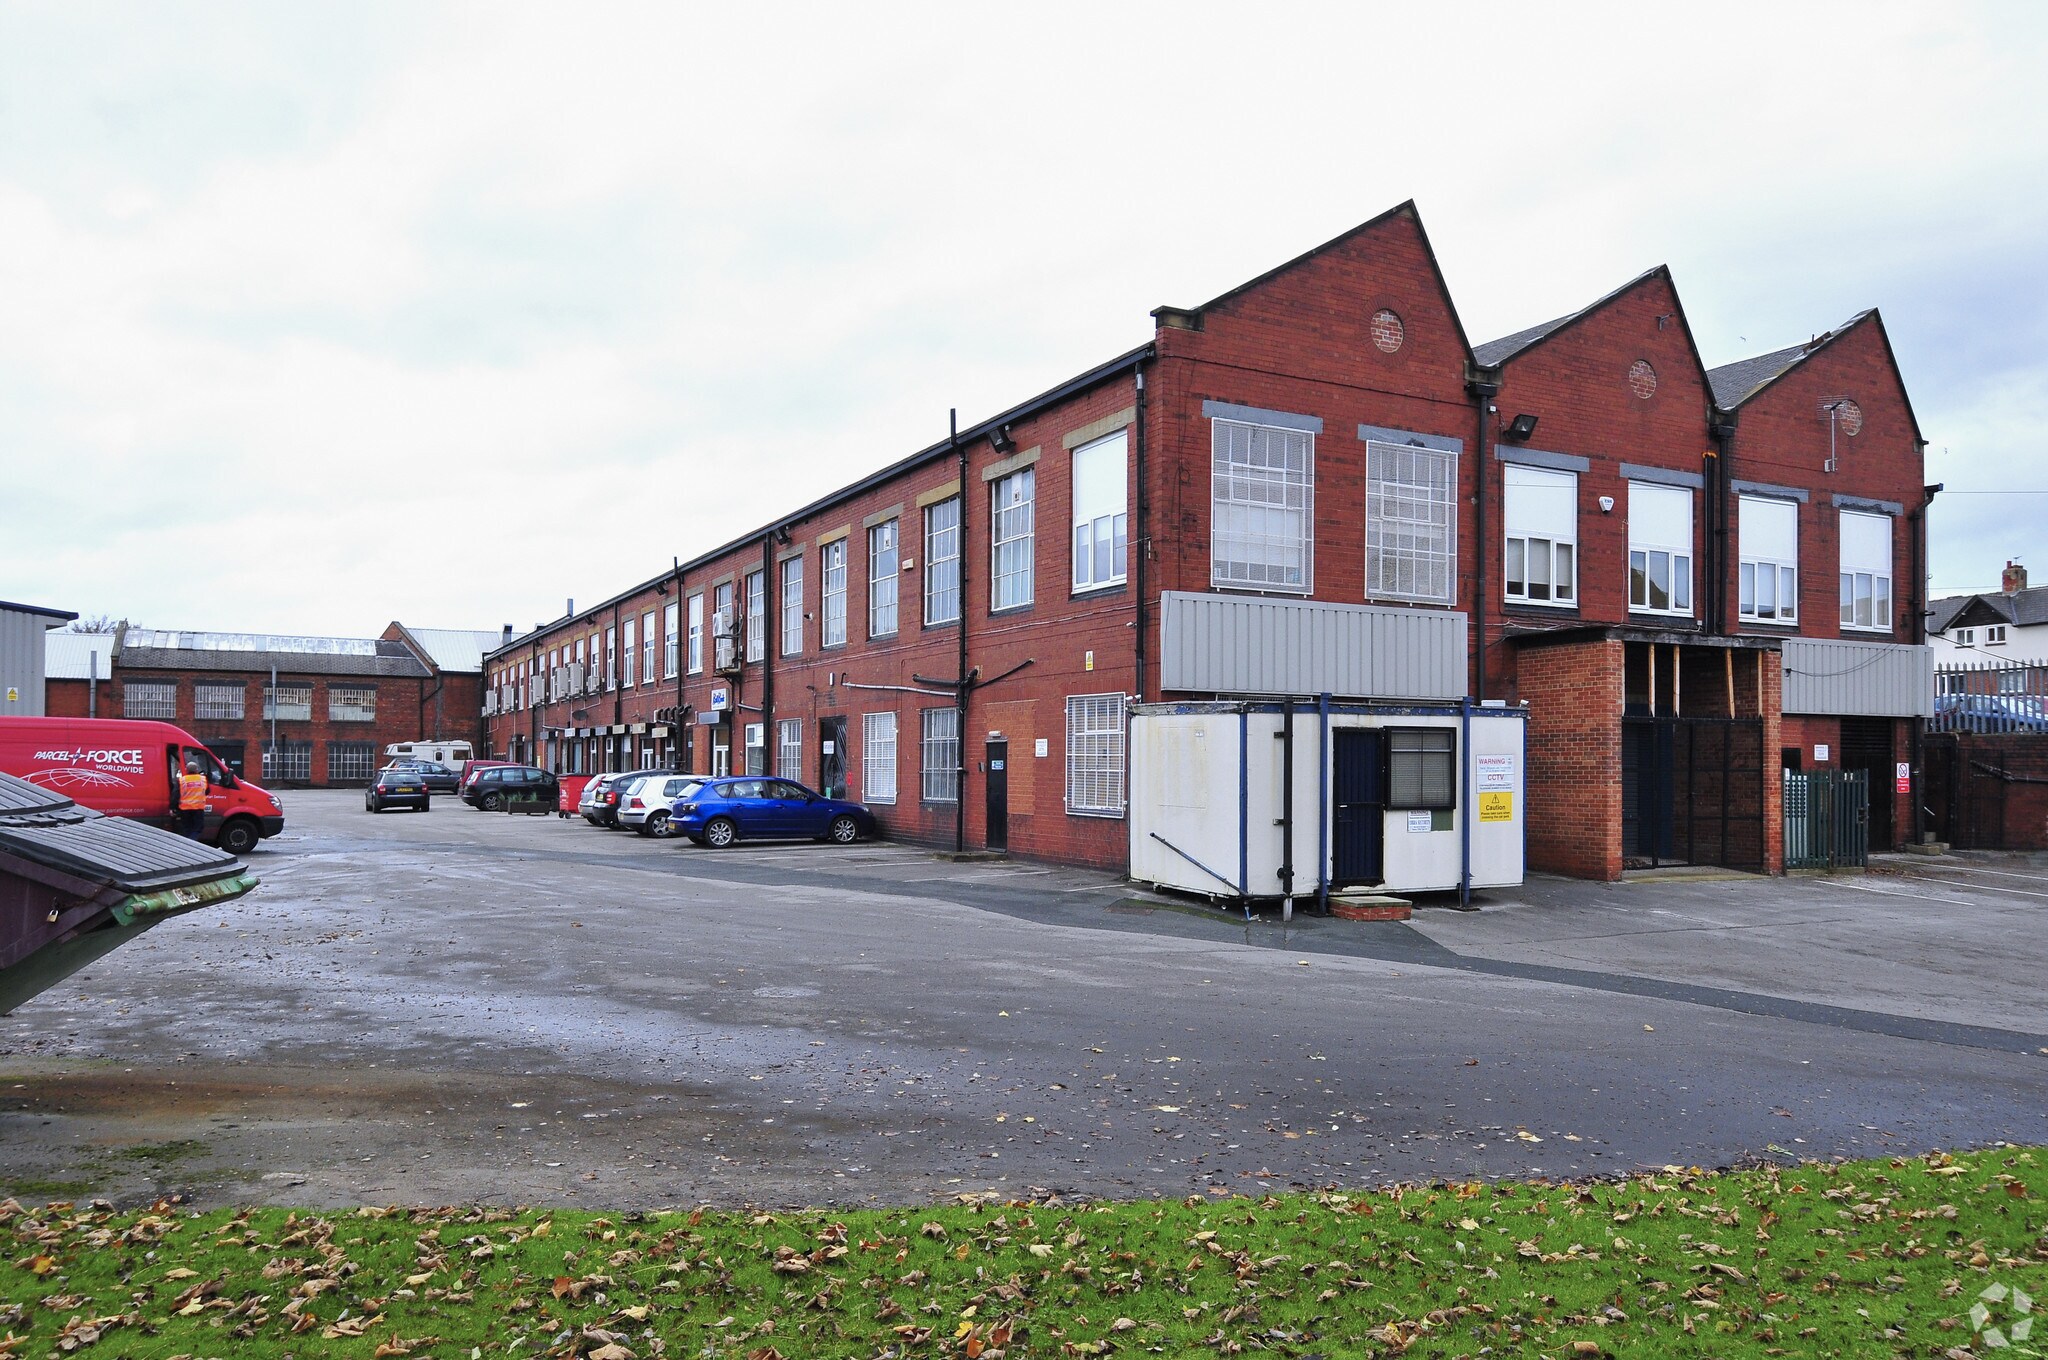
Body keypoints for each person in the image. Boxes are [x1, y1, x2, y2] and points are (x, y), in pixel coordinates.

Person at [177, 749, 210, 840]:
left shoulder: (182, 780)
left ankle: (188, 842)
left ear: (186, 770)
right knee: (197, 828)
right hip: (198, 808)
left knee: (187, 828)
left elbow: (176, 794)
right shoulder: (203, 779)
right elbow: (207, 791)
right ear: (196, 770)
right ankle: (192, 842)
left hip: (185, 809)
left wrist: (173, 807)